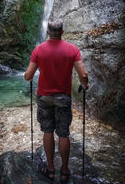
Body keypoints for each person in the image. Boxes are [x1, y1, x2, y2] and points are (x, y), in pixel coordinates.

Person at [24, 19, 88, 183]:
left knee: (47, 131)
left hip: (44, 97)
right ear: (62, 33)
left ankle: (51, 169)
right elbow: (84, 75)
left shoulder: (38, 50)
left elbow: (28, 76)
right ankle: (65, 171)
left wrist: (28, 74)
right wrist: (85, 85)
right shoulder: (73, 49)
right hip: (63, 97)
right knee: (64, 133)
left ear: (47, 33)